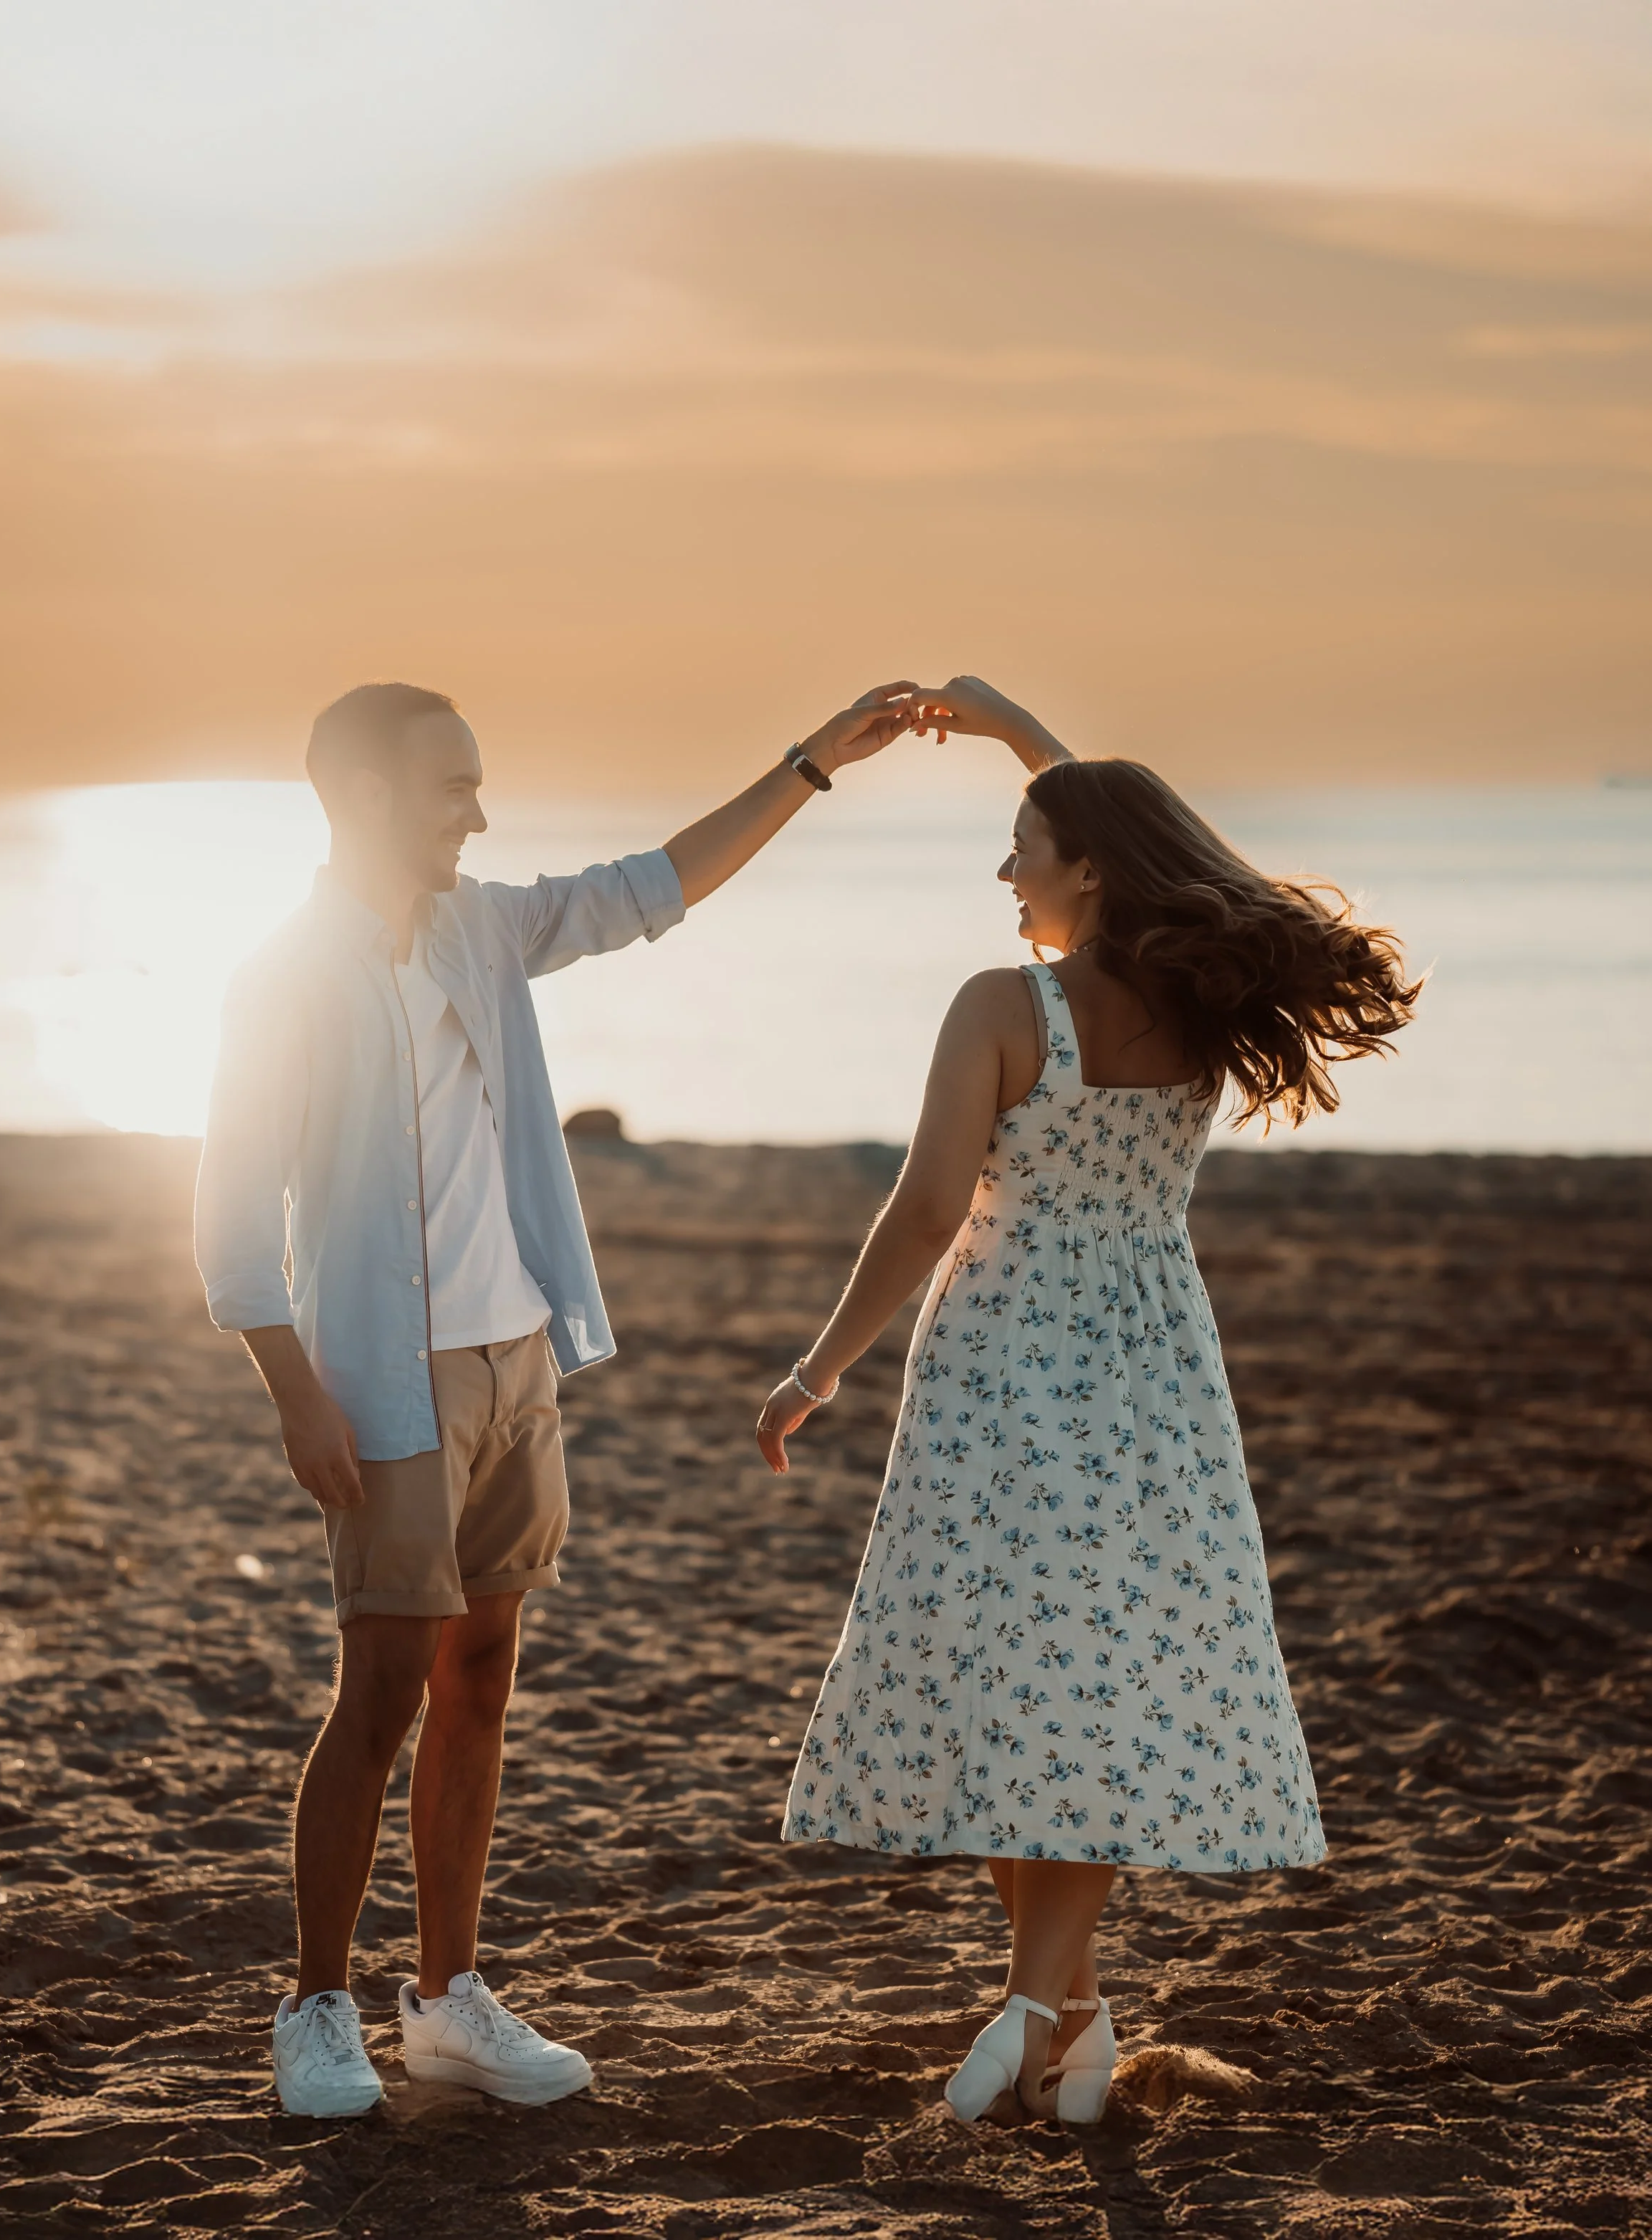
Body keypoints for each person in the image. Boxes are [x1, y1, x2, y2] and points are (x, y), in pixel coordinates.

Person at [196, 677, 918, 2118]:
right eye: (450, 785)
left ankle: (448, 1999)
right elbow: (224, 1214)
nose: (476, 808)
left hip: (512, 1358)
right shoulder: (286, 974)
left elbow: (651, 886)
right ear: (363, 799)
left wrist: (809, 765)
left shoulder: (481, 927)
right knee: (381, 1686)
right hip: (378, 1379)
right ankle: (317, 2001)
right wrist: (293, 1392)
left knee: (480, 1676)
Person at [757, 675, 1418, 2125]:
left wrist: (819, 1364)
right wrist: (1011, 730)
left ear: (1086, 868)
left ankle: (1028, 2003)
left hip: (998, 1357)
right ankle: (1072, 2003)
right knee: (1085, 1684)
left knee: (1020, 1674)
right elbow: (1133, 833)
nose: (1003, 869)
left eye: (1019, 843)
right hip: (1151, 1363)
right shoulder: (1196, 999)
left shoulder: (1003, 1006)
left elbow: (931, 1203)